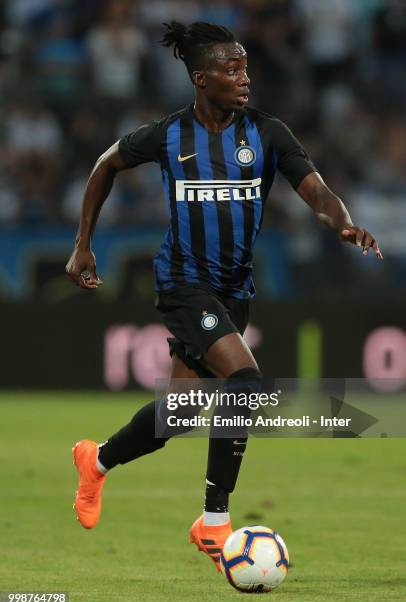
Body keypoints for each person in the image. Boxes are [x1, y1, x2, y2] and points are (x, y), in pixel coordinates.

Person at [65, 21, 382, 572]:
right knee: (246, 381)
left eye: (245, 68)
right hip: (184, 284)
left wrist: (343, 223)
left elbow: (316, 188)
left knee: (178, 414)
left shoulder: (267, 133)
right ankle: (214, 521)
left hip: (235, 289)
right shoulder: (167, 136)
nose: (245, 78)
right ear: (199, 77)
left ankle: (96, 461)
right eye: (231, 70)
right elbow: (104, 164)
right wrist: (83, 245)